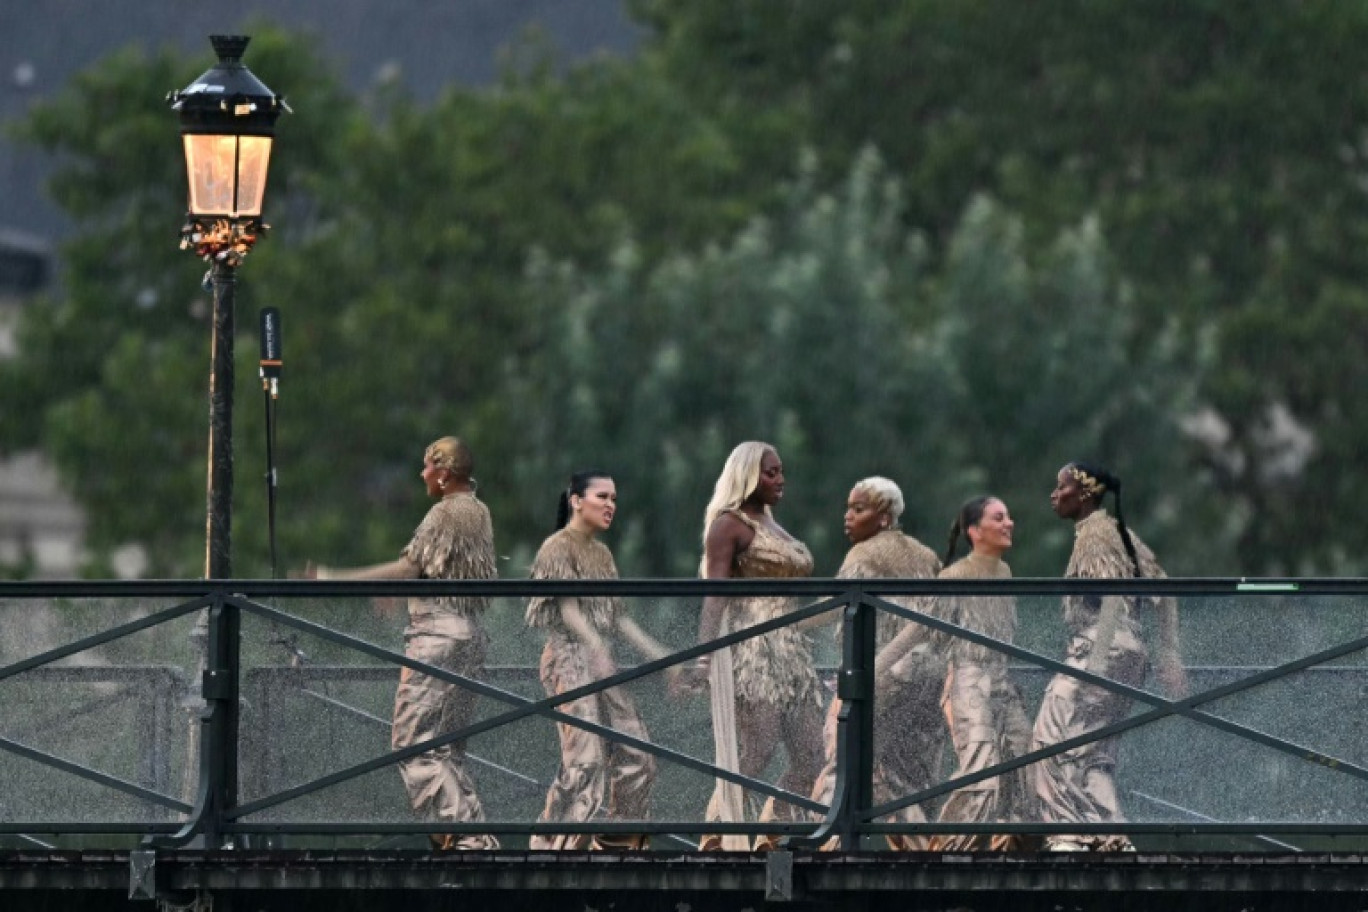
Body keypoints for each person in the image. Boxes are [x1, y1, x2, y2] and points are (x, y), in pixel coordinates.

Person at [306, 436, 498, 851]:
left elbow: (411, 566)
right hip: (469, 634)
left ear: (444, 473)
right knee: (447, 750)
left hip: (438, 638)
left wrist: (333, 578)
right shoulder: (478, 511)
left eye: (428, 467)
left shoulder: (445, 512)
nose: (422, 474)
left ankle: (467, 841)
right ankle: (471, 837)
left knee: (414, 746)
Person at [1031, 461, 1188, 852]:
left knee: (1051, 742)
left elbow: (1114, 595)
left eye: (1060, 486)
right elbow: (1163, 587)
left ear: (1083, 493)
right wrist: (1168, 652)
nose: (1054, 494)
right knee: (1095, 757)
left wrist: (1097, 665)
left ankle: (1069, 838)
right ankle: (1112, 839)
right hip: (1131, 651)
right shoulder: (1119, 531)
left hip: (1101, 649)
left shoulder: (1096, 534)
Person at [525, 470, 676, 851]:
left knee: (637, 753)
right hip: (569, 657)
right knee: (585, 760)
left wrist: (663, 655)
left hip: (598, 657)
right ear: (576, 500)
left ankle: (618, 844)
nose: (611, 505)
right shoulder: (557, 545)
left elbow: (618, 617)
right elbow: (568, 606)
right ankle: (552, 848)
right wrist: (595, 646)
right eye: (602, 497)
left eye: (614, 498)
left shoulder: (602, 553)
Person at [683, 441, 821, 851]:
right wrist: (703, 658)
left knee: (813, 751)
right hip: (752, 650)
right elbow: (715, 594)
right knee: (757, 748)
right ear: (747, 475)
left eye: (780, 471)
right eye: (770, 473)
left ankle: (771, 832)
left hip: (793, 651)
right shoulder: (729, 525)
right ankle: (716, 836)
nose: (780, 480)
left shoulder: (773, 524)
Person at [806, 476, 945, 850]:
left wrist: (782, 622)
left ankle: (825, 846)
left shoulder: (864, 555)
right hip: (929, 674)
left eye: (858, 509)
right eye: (848, 508)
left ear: (884, 518)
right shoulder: (926, 554)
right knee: (906, 773)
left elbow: (836, 606)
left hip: (884, 672)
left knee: (843, 754)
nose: (847, 517)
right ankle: (923, 855)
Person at [923, 495, 1036, 851]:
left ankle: (1010, 852)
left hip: (1003, 682)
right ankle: (946, 853)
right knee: (980, 770)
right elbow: (926, 635)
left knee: (1025, 765)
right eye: (999, 517)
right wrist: (879, 670)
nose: (1009, 523)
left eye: (1009, 516)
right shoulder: (953, 576)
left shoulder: (1004, 573)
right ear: (975, 530)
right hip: (968, 678)